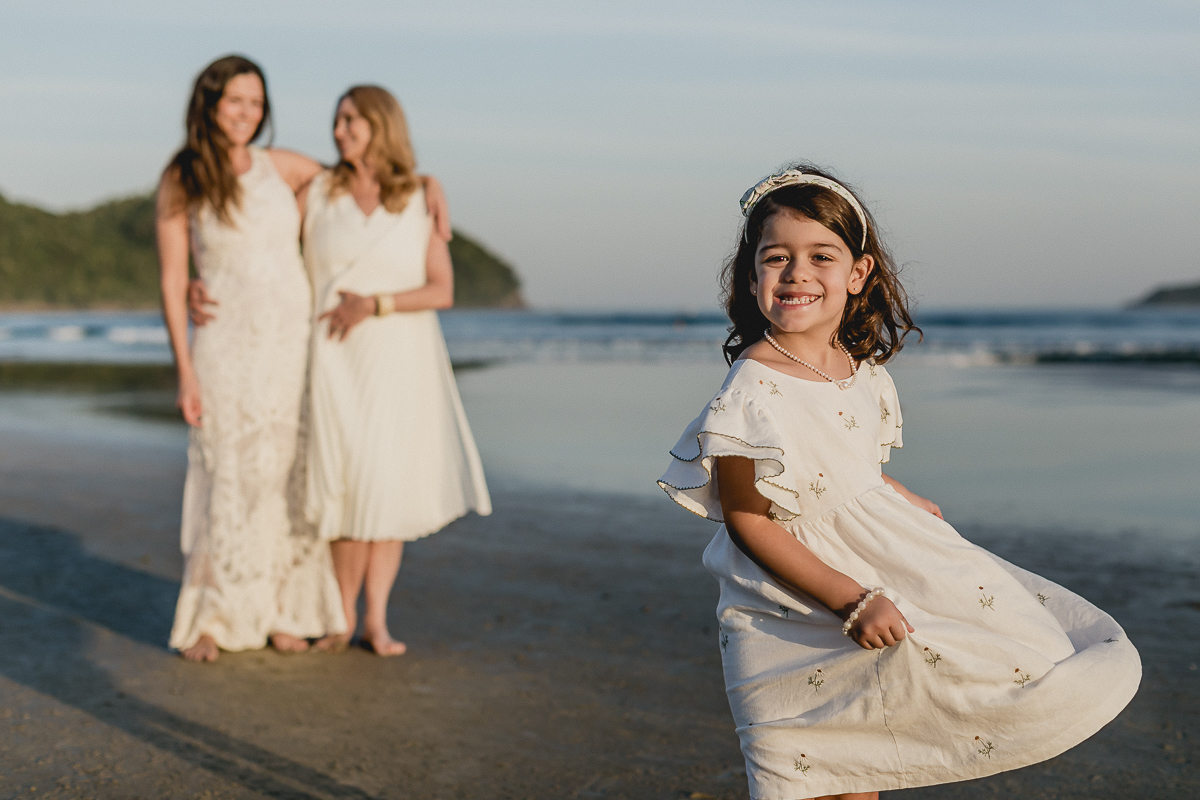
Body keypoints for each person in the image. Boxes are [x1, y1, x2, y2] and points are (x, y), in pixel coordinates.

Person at [657, 165, 1141, 800]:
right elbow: (749, 521)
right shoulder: (752, 388)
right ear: (752, 279)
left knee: (864, 758)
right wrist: (851, 600)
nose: (798, 273)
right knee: (799, 765)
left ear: (858, 275)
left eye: (820, 256)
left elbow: (843, 463)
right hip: (793, 604)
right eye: (776, 258)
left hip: (875, 562)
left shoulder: (856, 370)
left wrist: (895, 494)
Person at [157, 55, 347, 661]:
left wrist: (426, 186)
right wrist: (184, 368)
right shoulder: (182, 175)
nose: (247, 113)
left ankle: (283, 612)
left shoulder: (283, 167)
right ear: (209, 102)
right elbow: (170, 278)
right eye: (235, 100)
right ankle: (214, 616)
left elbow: (361, 184)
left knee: (284, 473)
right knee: (228, 473)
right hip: (225, 345)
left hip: (288, 342)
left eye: (256, 103)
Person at [300, 86, 491, 656]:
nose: (339, 131)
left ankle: (374, 621)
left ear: (381, 124)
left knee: (385, 490)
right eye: (336, 120)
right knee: (343, 484)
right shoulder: (317, 190)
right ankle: (336, 617)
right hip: (333, 357)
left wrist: (374, 303)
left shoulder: (416, 198)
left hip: (397, 361)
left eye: (351, 120)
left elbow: (442, 288)